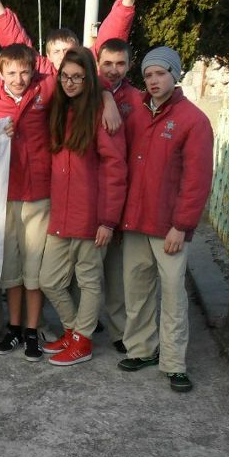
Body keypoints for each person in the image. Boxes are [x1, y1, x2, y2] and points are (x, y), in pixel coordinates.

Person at [118, 46, 212, 392]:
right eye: (148, 75)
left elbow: (197, 180)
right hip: (135, 221)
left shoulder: (193, 120)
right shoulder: (136, 114)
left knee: (173, 295)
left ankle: (173, 363)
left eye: (160, 73)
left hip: (168, 227)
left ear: (175, 74)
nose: (154, 81)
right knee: (137, 290)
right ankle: (141, 349)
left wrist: (182, 226)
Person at [37, 48, 127, 366]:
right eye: (65, 76)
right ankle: (74, 331)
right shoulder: (60, 110)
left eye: (77, 77)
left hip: (91, 218)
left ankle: (82, 342)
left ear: (89, 79)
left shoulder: (101, 115)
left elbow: (115, 170)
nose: (70, 83)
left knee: (88, 281)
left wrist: (108, 220)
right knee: (49, 279)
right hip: (61, 215)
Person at [0, 43, 53, 361]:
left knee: (34, 268)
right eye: (11, 73)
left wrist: (106, 98)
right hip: (5, 193)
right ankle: (14, 328)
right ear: (0, 72)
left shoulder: (47, 89)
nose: (18, 79)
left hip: (39, 193)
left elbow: (82, 80)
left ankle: (32, 330)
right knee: (11, 269)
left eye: (24, 72)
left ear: (33, 70)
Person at [0, 0, 142, 75]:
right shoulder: (42, 72)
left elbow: (110, 41)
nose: (62, 56)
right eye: (56, 52)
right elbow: (15, 42)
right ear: (47, 56)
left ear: (79, 50)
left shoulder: (90, 67)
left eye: (67, 50)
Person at [97, 37, 144, 351]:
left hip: (123, 194)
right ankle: (81, 326)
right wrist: (105, 97)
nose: (113, 70)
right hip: (90, 195)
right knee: (84, 271)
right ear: (98, 63)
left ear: (129, 65)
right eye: (107, 63)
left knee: (117, 271)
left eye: (120, 64)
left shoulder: (138, 100)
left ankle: (118, 331)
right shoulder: (85, 92)